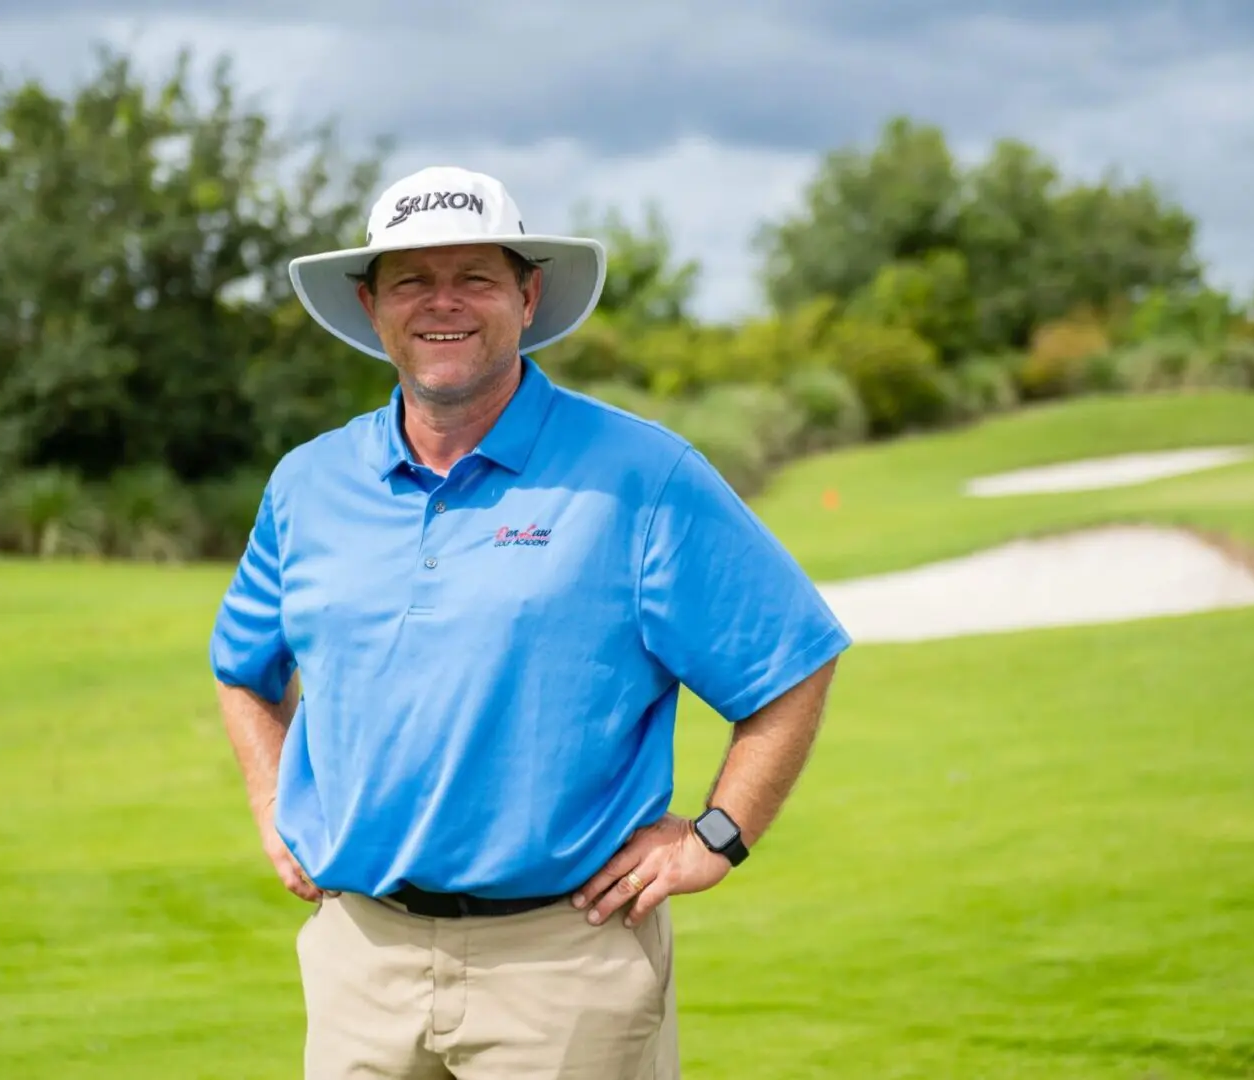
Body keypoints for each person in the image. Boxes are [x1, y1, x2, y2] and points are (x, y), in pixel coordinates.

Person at [209, 165, 852, 1079]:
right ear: (371, 304)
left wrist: (718, 832)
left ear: (527, 292)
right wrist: (273, 806)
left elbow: (790, 661)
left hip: (566, 966)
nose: (444, 304)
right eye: (411, 281)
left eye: (474, 276)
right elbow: (243, 667)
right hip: (361, 961)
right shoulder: (307, 484)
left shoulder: (640, 473)